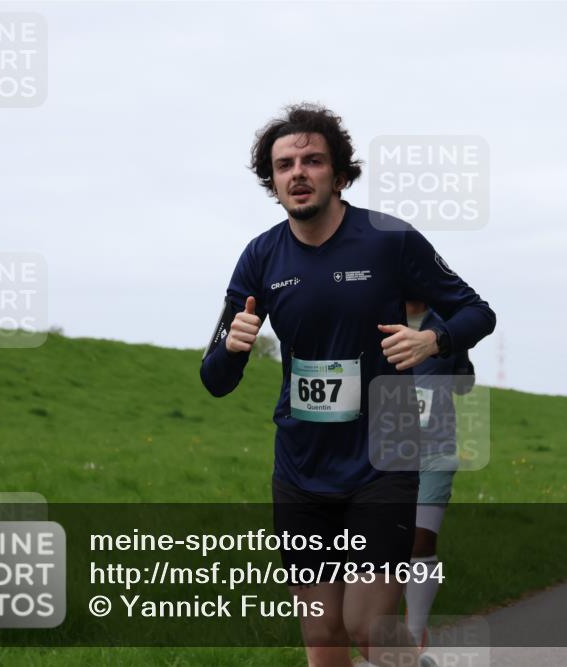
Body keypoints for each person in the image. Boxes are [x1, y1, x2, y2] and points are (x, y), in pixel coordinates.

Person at [200, 104, 496, 667]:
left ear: (338, 175)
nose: (298, 172)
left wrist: (432, 341)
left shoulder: (389, 241)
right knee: (323, 635)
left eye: (313, 160)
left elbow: (477, 312)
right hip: (301, 466)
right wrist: (231, 348)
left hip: (383, 457)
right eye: (284, 164)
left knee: (370, 627)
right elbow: (215, 379)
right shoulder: (261, 256)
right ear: (273, 181)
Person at [402, 301, 475, 661]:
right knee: (388, 547)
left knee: (421, 541)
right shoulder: (376, 317)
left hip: (436, 451)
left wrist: (459, 351)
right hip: (386, 453)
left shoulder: (446, 327)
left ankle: (414, 638)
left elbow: (465, 385)